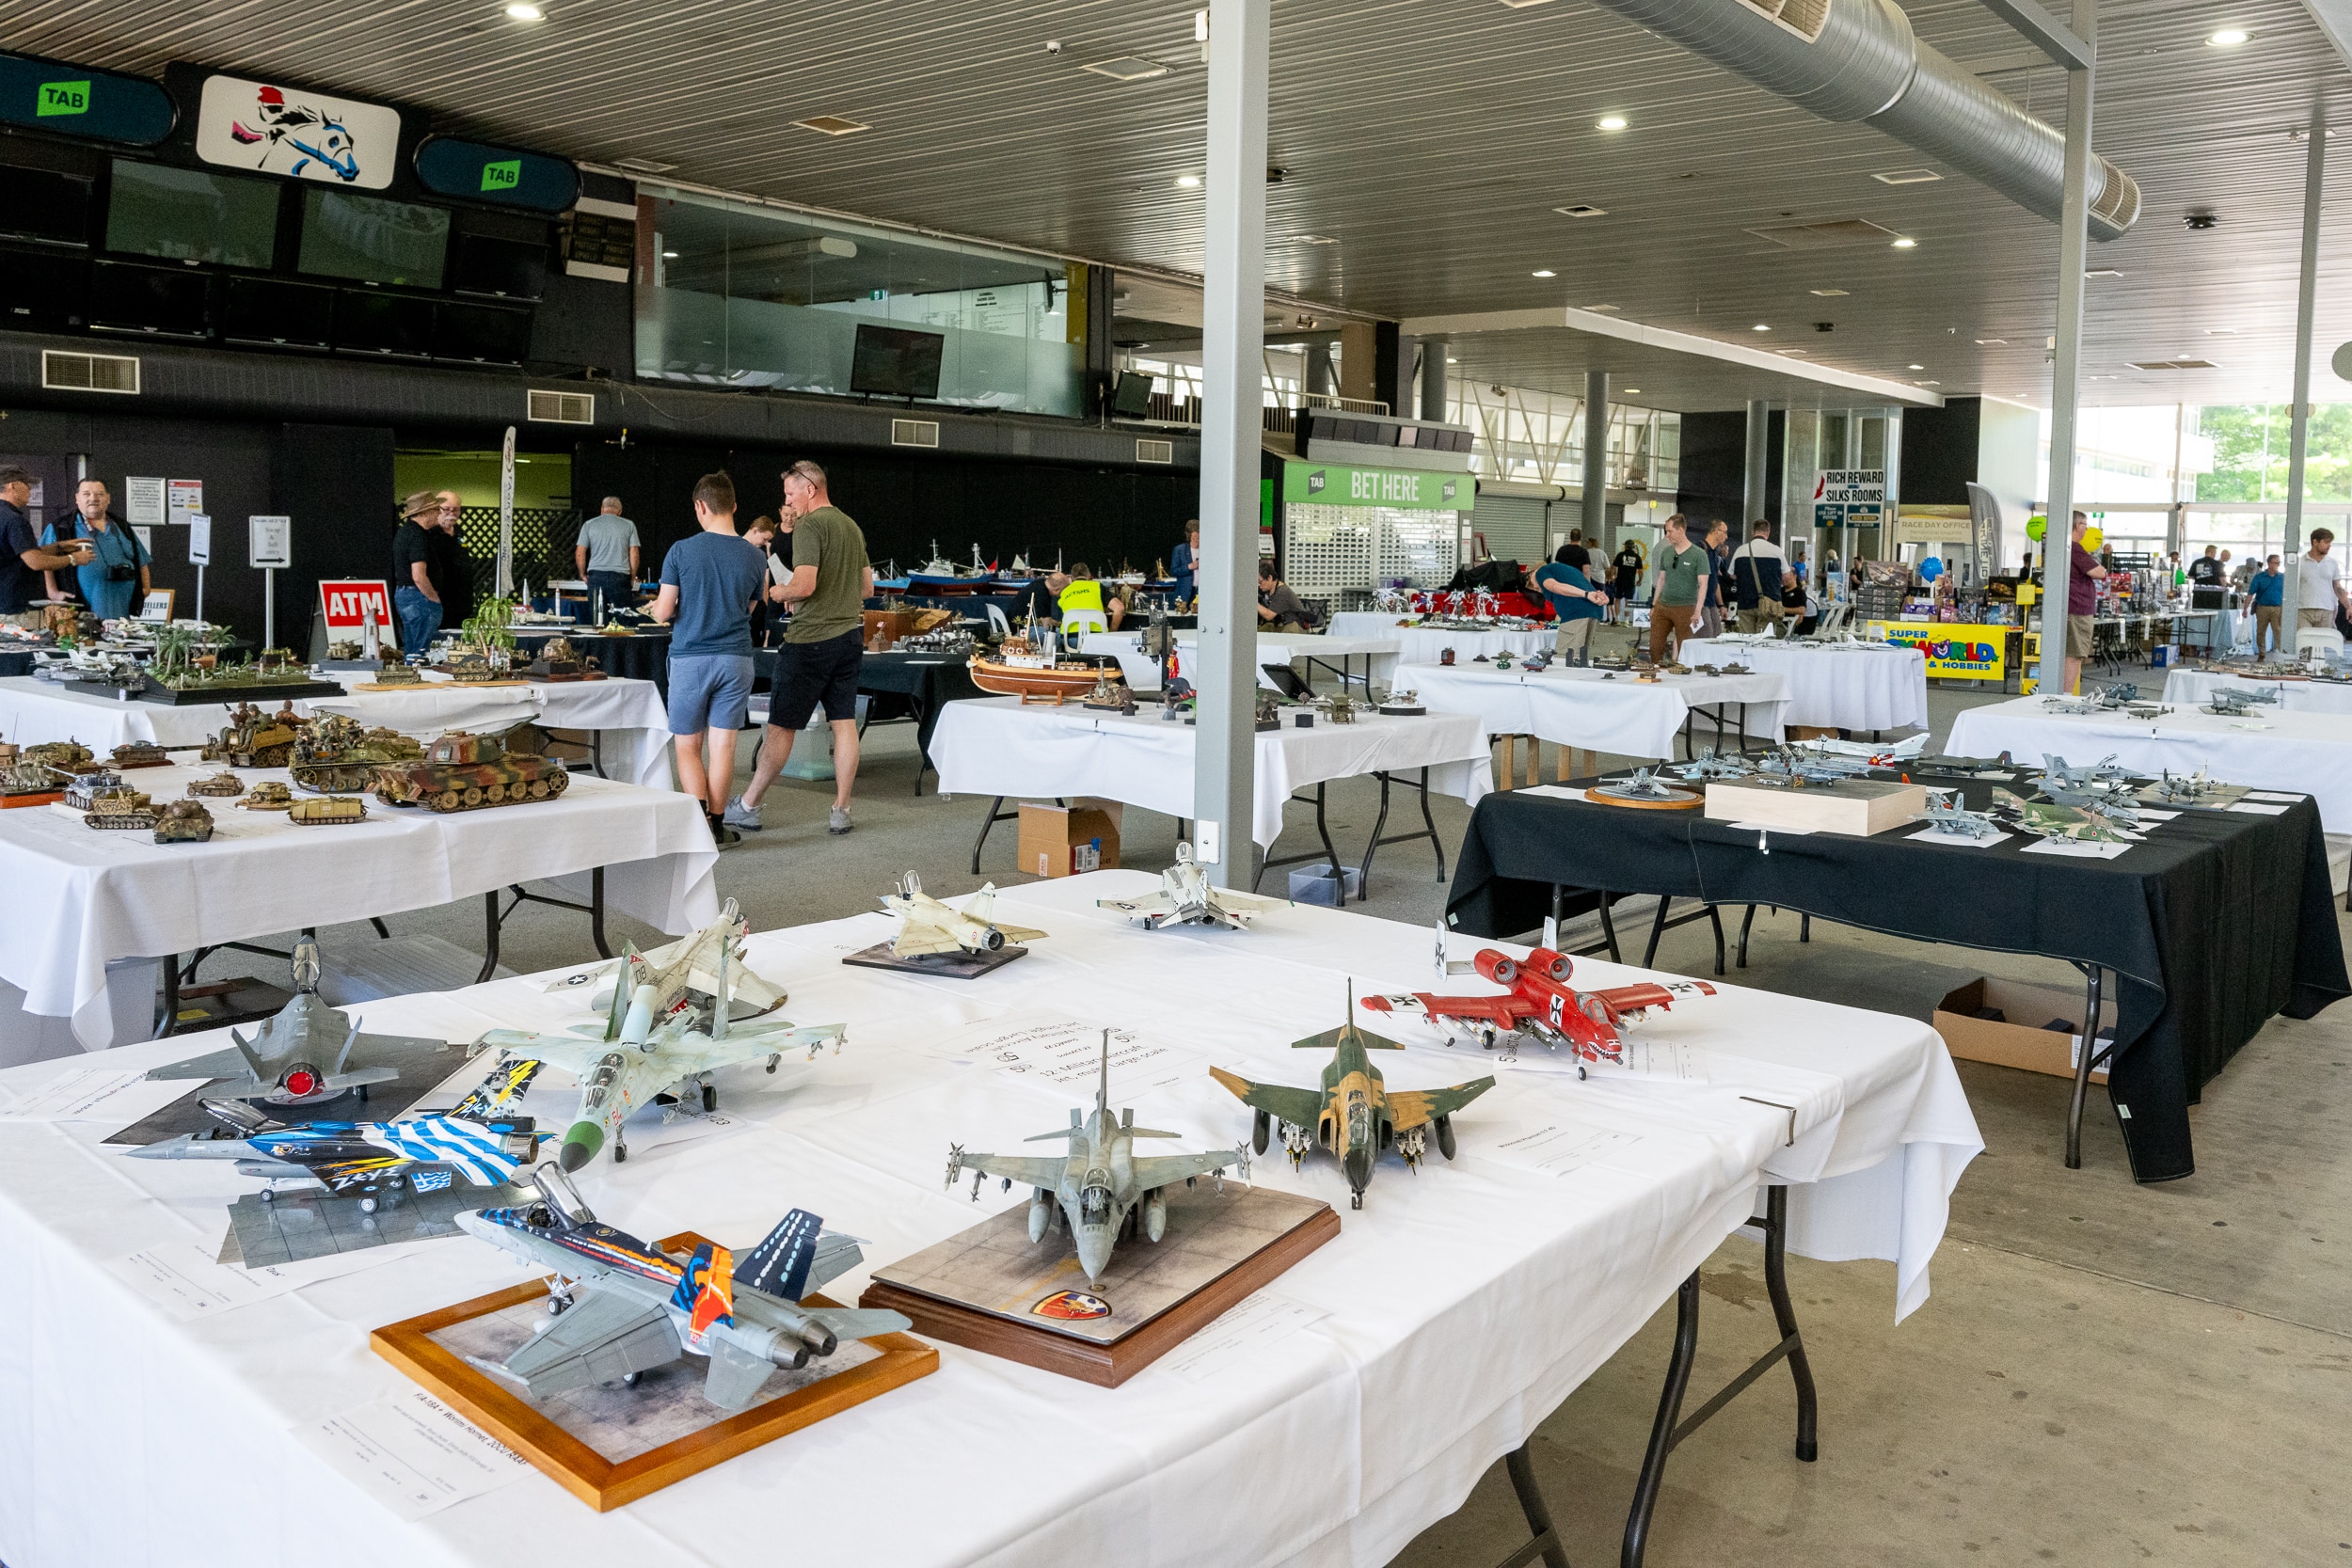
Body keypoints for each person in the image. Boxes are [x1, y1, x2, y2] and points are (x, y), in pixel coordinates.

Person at [729, 460, 874, 837]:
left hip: (810, 641)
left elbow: (805, 585)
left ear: (810, 489)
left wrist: (780, 591)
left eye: (791, 494)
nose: (788, 502)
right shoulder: (851, 526)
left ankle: (749, 806)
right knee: (843, 724)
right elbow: (866, 588)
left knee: (780, 727)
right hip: (849, 638)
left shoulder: (810, 525)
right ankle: (841, 809)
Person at [651, 471, 765, 843]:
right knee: (723, 747)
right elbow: (750, 609)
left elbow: (663, 612)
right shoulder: (755, 557)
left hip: (691, 660)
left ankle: (698, 825)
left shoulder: (681, 550)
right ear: (734, 506)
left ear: (701, 507)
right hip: (737, 660)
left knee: (687, 746)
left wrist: (660, 608)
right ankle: (717, 825)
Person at [41, 479, 150, 621]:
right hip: (78, 612)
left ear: (108, 499)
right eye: (86, 494)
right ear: (77, 498)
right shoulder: (61, 527)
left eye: (100, 494)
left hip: (121, 611)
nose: (93, 498)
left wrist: (145, 589)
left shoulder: (122, 526)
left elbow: (142, 561)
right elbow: (44, 562)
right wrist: (53, 592)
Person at [0, 466, 92, 618]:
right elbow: (35, 562)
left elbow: (17, 554)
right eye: (26, 484)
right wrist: (73, 558)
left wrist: (59, 547)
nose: (30, 489)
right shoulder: (14, 521)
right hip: (13, 609)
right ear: (12, 486)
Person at [1646, 515, 1709, 664]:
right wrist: (1654, 605)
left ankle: (1679, 671)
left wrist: (1697, 611)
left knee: (1684, 647)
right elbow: (1661, 579)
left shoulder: (1699, 554)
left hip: (1685, 607)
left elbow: (1703, 584)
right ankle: (1656, 670)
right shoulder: (1667, 552)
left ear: (1680, 530)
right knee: (1655, 645)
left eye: (1670, 531)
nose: (1667, 535)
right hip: (1663, 605)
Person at [391, 491, 445, 657]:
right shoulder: (418, 536)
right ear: (424, 512)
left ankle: (410, 669)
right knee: (422, 649)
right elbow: (418, 575)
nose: (439, 513)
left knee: (412, 646)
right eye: (436, 509)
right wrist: (433, 598)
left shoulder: (404, 532)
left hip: (405, 594)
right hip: (418, 597)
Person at [2061, 511, 2108, 695]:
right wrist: (2101, 568)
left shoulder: (2065, 547)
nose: (2087, 529)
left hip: (2072, 606)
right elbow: (2098, 572)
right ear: (2077, 525)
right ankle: (2066, 695)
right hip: (2078, 608)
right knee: (2074, 654)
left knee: (2070, 653)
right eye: (2085, 525)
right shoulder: (2075, 548)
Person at [1532, 545, 1606, 653]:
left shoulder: (1541, 572)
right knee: (1582, 655)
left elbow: (1556, 587)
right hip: (1595, 611)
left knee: (1566, 655)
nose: (1536, 589)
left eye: (1535, 586)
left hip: (1576, 612)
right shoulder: (1567, 571)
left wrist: (1586, 594)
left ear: (1532, 575)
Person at [575, 496, 642, 611]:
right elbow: (634, 552)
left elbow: (580, 552)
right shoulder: (629, 525)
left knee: (597, 617)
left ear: (602, 509)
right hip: (620, 577)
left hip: (596, 576)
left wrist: (583, 574)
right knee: (622, 616)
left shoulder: (589, 525)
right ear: (620, 511)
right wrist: (632, 576)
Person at [1728, 520, 1795, 635]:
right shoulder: (1776, 550)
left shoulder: (1740, 551)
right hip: (1769, 604)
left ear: (1753, 532)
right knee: (1764, 640)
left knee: (1746, 639)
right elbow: (1786, 577)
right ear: (1768, 532)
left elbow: (1732, 575)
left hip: (1745, 602)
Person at [431, 491, 475, 629]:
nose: (452, 513)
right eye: (447, 509)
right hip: (442, 601)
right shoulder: (430, 533)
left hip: (462, 601)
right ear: (437, 509)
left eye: (455, 509)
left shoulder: (459, 531)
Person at [2298, 529, 2348, 635]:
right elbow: (2291, 587)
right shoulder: (2300, 563)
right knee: (2304, 642)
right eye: (2326, 542)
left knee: (2323, 642)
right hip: (2303, 609)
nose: (2329, 546)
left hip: (2326, 610)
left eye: (2330, 543)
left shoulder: (2332, 563)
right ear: (2315, 542)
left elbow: (2337, 587)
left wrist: (2348, 606)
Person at [1054, 562, 1125, 631]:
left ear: (1072, 578)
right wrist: (1111, 632)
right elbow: (1119, 608)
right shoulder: (1098, 586)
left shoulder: (1064, 591)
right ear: (1089, 576)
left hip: (1070, 637)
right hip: (1096, 636)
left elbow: (1056, 618)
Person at [1698, 519, 1731, 640]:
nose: (1726, 536)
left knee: (1717, 634)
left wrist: (1721, 605)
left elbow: (1715, 581)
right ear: (1716, 531)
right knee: (1706, 636)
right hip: (1700, 603)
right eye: (1725, 532)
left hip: (1711, 603)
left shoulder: (1715, 554)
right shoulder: (1700, 549)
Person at [1257, 562, 1313, 630]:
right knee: (1266, 628)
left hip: (1295, 626)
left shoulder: (1282, 592)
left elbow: (1268, 615)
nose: (1258, 585)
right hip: (1281, 624)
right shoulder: (1268, 590)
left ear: (1269, 578)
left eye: (1260, 582)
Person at [2249, 553, 2284, 658]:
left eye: (2278, 563)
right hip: (2262, 607)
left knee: (2278, 630)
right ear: (2269, 563)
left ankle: (2279, 650)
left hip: (2278, 608)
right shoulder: (2259, 577)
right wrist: (2245, 608)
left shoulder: (2282, 577)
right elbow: (2251, 592)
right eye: (2275, 563)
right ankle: (2262, 652)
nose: (2277, 565)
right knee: (2261, 630)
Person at [1611, 535, 1645, 621]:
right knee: (1628, 601)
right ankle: (1626, 620)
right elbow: (1640, 572)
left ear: (1625, 546)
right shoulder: (1637, 557)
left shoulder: (1620, 555)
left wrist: (1612, 577)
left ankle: (1617, 620)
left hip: (1620, 581)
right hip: (1630, 582)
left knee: (1617, 599)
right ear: (1633, 547)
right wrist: (1639, 580)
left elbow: (1613, 568)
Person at [1171, 522, 1200, 601]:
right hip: (1185, 593)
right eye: (1197, 532)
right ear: (1190, 534)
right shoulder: (1180, 550)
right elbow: (1174, 571)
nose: (1199, 535)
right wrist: (1189, 567)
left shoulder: (1207, 550)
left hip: (1202, 592)